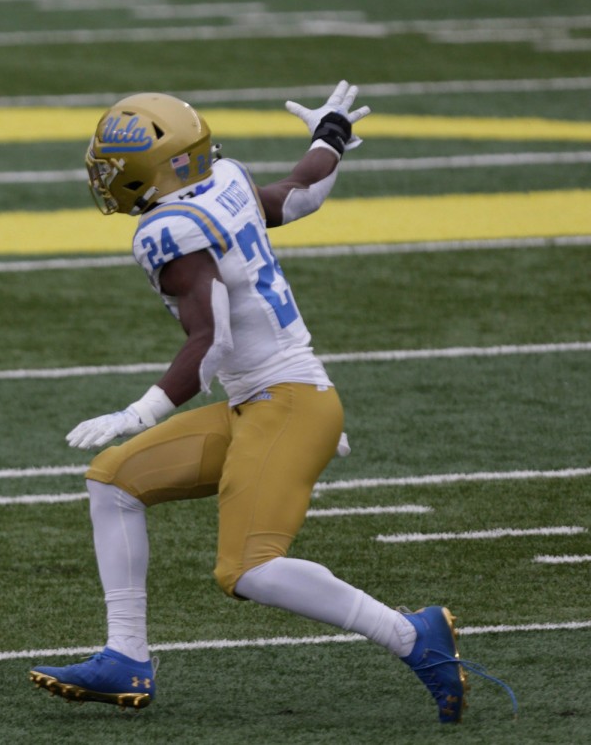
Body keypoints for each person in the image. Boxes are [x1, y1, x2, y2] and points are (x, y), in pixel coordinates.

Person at [28, 83, 515, 721]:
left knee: (248, 569)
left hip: (286, 402)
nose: (106, 177)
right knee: (114, 481)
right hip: (268, 402)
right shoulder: (223, 181)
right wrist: (330, 135)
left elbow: (212, 340)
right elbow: (299, 194)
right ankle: (126, 655)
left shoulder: (168, 229)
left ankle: (411, 634)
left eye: (115, 168)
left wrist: (138, 412)